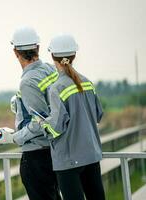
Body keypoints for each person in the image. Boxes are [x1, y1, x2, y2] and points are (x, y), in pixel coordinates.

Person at [0, 27, 61, 200]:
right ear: (37, 47)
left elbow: (40, 122)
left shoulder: (28, 81)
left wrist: (14, 138)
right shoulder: (50, 69)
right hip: (54, 151)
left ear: (15, 52)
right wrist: (20, 103)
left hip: (37, 155)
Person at [40, 33, 105, 200]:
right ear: (74, 55)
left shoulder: (57, 88)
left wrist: (43, 124)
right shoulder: (87, 82)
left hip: (68, 161)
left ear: (53, 56)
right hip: (91, 155)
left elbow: (56, 128)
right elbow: (99, 114)